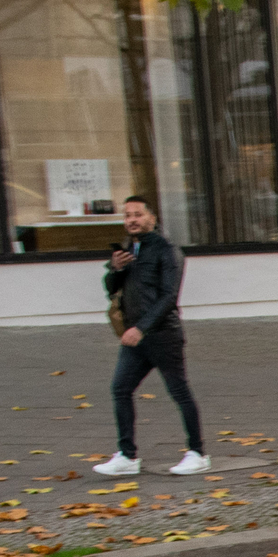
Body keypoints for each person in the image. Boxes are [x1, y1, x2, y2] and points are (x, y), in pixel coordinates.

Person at [95, 194, 205, 477]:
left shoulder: (167, 250)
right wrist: (115, 269)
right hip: (135, 338)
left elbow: (169, 296)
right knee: (120, 389)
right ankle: (127, 457)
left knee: (179, 391)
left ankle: (197, 453)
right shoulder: (129, 249)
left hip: (162, 334)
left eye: (137, 214)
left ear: (152, 218)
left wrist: (141, 328)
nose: (132, 220)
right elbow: (112, 289)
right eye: (127, 215)